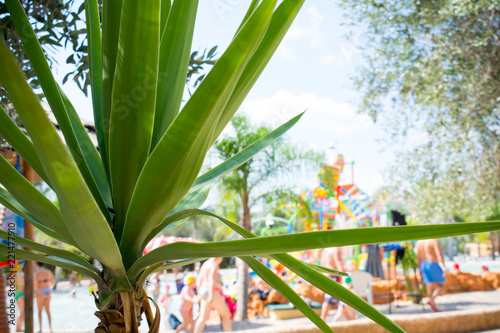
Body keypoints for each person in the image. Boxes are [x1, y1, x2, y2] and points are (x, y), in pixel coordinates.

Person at [194, 258, 231, 333]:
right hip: (211, 291)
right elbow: (211, 280)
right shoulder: (214, 265)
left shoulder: (205, 264)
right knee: (225, 315)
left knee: (202, 318)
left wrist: (199, 295)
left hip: (203, 291)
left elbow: (198, 281)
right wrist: (211, 295)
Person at [416, 239, 447, 312]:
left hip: (423, 264)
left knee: (429, 284)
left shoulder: (419, 242)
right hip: (432, 263)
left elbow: (418, 256)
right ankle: (431, 299)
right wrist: (444, 267)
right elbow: (439, 254)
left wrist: (419, 268)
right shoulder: (434, 240)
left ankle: (433, 305)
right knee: (443, 285)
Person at [320, 247, 345, 321]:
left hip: (327, 276)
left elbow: (322, 263)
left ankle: (349, 318)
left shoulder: (325, 250)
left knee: (338, 299)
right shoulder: (336, 249)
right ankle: (323, 319)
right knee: (340, 298)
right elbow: (338, 263)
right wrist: (343, 276)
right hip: (334, 276)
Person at [35, 262, 55, 332]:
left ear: (37, 265)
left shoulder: (37, 273)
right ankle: (51, 329)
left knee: (40, 311)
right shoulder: (48, 271)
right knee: (48, 311)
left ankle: (40, 329)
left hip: (40, 291)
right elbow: (53, 282)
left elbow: (35, 284)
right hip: (48, 291)